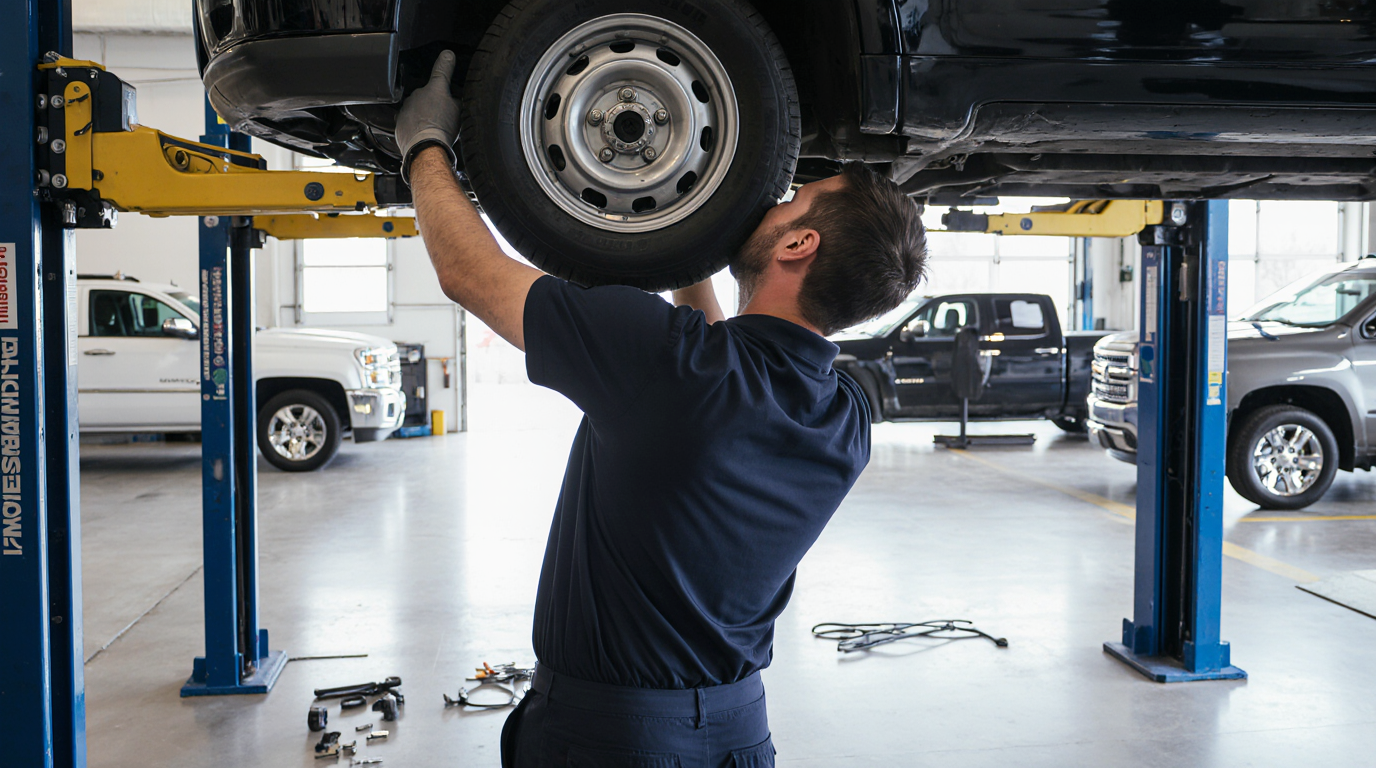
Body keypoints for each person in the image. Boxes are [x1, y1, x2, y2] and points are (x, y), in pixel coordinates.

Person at [397, 51, 928, 767]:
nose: (775, 200)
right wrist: (690, 243)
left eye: (791, 202)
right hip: (735, 730)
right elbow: (715, 365)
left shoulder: (673, 365)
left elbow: (469, 272)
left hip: (613, 740)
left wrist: (423, 146)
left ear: (800, 243)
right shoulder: (846, 416)